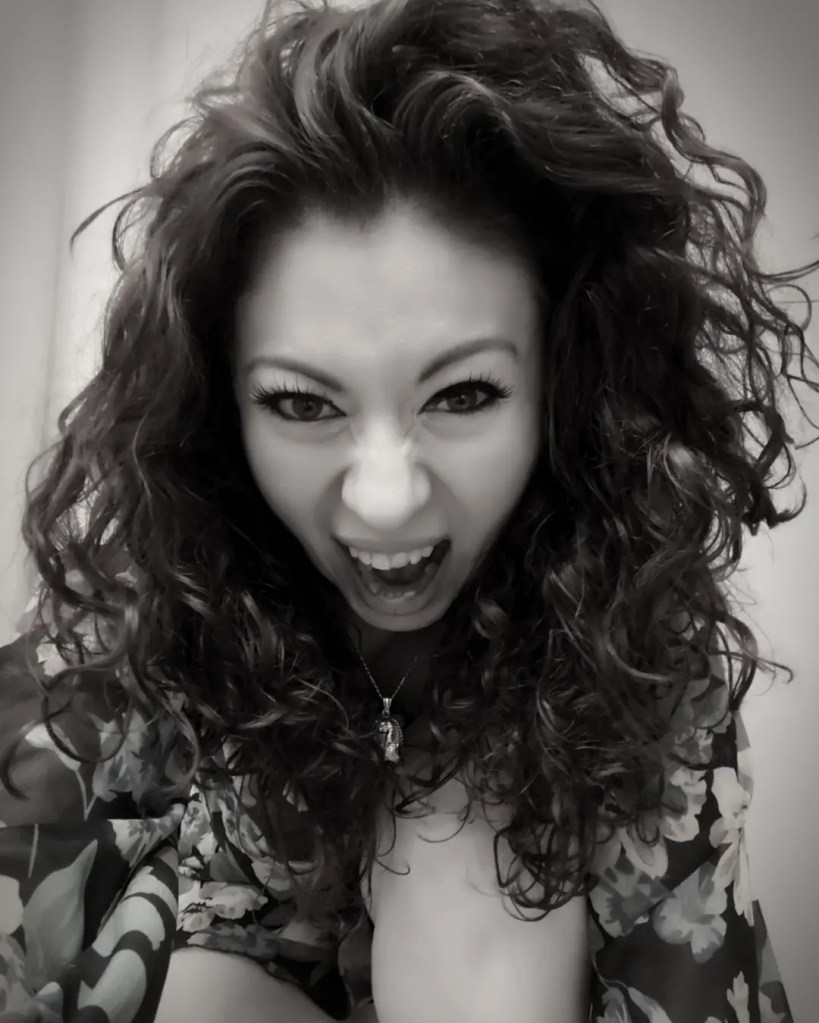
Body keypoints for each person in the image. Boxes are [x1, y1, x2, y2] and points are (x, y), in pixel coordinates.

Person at [1, 0, 816, 1019]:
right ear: (218, 407)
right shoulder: (150, 617)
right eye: (303, 404)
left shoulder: (634, 641)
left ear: (562, 381)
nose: (384, 501)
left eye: (462, 394)